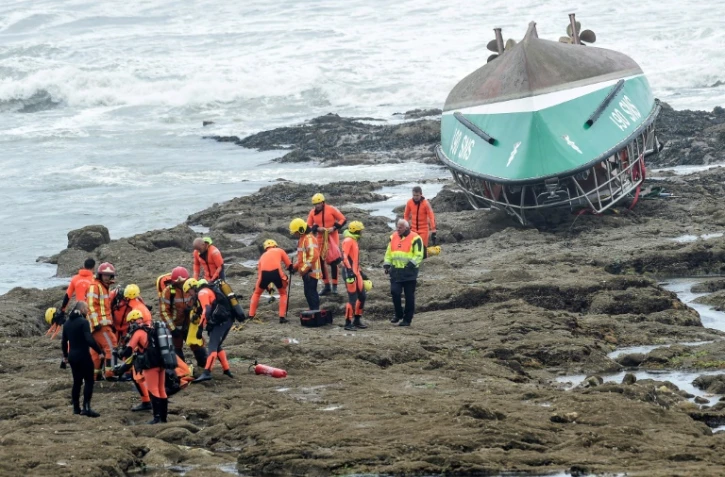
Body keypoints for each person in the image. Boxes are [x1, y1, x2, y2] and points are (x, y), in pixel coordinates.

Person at [119, 310, 168, 424]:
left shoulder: (138, 332)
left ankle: (156, 418)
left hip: (150, 364)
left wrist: (119, 353)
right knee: (161, 389)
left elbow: (129, 350)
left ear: (133, 321)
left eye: (130, 322)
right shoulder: (152, 329)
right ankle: (163, 418)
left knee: (153, 389)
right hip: (162, 362)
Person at [185, 278, 235, 382]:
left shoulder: (202, 293)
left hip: (223, 322)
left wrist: (200, 328)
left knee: (212, 346)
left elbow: (206, 310)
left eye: (188, 291)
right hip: (227, 319)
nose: (189, 294)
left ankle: (207, 372)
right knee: (217, 345)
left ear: (193, 287)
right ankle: (226, 370)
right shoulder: (207, 291)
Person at [159, 266, 208, 368]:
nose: (181, 284)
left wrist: (192, 311)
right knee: (176, 350)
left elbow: (199, 304)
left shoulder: (192, 288)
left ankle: (204, 366)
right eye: (179, 283)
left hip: (190, 324)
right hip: (175, 326)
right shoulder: (168, 292)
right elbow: (164, 311)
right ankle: (182, 371)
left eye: (183, 282)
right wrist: (172, 329)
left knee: (198, 346)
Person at [61, 302, 104, 417]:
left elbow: (64, 342)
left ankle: (76, 408)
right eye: (86, 309)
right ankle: (86, 408)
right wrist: (99, 351)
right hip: (83, 355)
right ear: (82, 309)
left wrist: (65, 356)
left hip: (72, 357)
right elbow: (89, 339)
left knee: (77, 382)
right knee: (89, 381)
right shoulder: (84, 322)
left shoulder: (67, 323)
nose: (88, 311)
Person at [384, 219, 424, 327]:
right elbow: (389, 251)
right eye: (397, 226)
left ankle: (407, 319)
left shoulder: (416, 238)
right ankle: (398, 314)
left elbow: (419, 254)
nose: (398, 229)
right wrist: (387, 264)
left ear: (406, 228)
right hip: (396, 271)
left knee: (409, 297)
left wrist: (410, 265)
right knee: (394, 292)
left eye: (400, 227)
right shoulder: (393, 237)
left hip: (409, 273)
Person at [307, 193, 346, 295]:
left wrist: (333, 228)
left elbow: (343, 219)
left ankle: (335, 286)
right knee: (320, 261)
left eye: (318, 203)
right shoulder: (312, 213)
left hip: (332, 237)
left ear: (323, 202)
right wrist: (317, 228)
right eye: (315, 204)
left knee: (333, 262)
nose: (317, 206)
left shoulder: (331, 209)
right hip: (320, 238)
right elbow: (309, 226)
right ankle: (326, 285)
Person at [86, 262, 118, 380]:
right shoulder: (96, 286)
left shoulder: (103, 287)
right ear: (100, 275)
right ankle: (110, 373)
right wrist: (96, 323)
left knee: (96, 351)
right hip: (100, 325)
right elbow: (90, 305)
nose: (106, 277)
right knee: (112, 346)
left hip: (100, 325)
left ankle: (95, 375)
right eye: (104, 275)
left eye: (108, 275)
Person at [248, 239, 293, 324]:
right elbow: (289, 265)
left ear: (266, 248)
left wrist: (267, 288)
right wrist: (291, 270)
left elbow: (259, 275)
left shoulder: (262, 256)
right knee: (283, 294)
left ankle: (251, 315)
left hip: (264, 275)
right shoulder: (280, 250)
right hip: (277, 273)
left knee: (257, 293)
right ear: (275, 245)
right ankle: (282, 317)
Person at [289, 218, 321, 312]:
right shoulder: (302, 239)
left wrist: (304, 269)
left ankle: (315, 311)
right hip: (307, 273)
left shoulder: (309, 239)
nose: (294, 234)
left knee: (311, 292)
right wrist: (295, 268)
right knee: (307, 292)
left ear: (301, 230)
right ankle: (312, 309)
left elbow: (313, 255)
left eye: (295, 232)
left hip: (311, 273)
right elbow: (302, 259)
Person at [341, 221, 369, 331]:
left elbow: (355, 260)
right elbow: (344, 257)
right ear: (356, 230)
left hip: (356, 272)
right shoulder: (348, 241)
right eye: (360, 230)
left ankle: (357, 319)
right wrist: (349, 270)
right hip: (350, 274)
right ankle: (348, 322)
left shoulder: (354, 240)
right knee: (352, 298)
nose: (362, 232)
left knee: (362, 296)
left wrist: (361, 273)